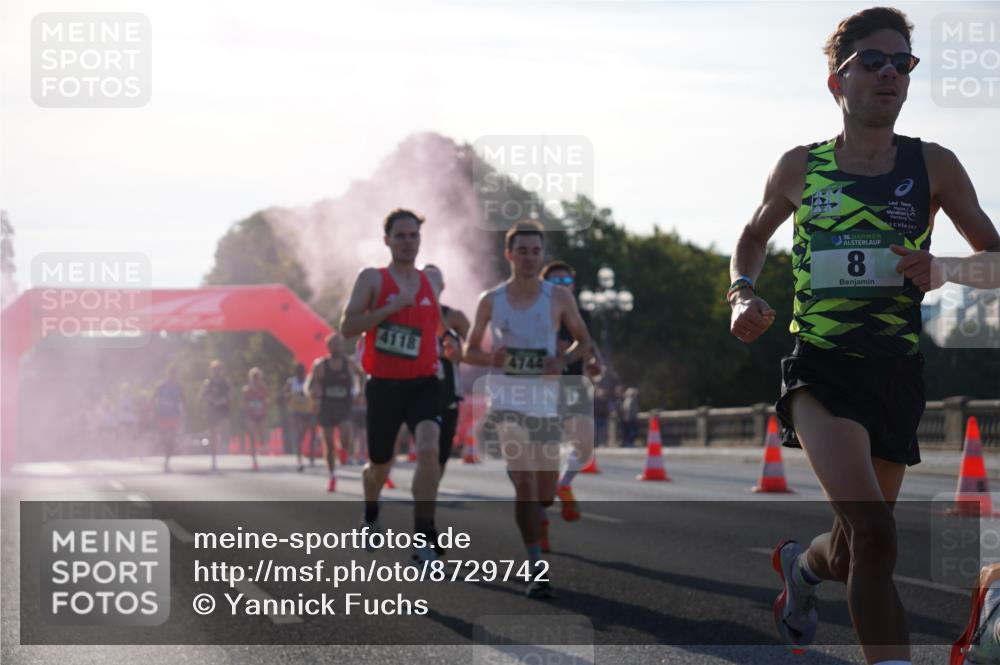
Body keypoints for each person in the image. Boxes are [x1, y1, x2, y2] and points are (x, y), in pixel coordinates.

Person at [728, 8, 1000, 664]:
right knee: (877, 532)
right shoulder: (800, 166)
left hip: (895, 371)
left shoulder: (933, 165)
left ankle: (801, 570)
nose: (889, 73)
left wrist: (946, 268)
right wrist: (742, 292)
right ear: (836, 81)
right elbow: (753, 238)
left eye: (902, 63)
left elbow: (994, 256)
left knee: (854, 547)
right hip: (820, 369)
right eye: (873, 62)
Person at [464, 221, 592, 598]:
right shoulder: (491, 300)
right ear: (509, 255)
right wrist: (491, 357)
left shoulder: (558, 298)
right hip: (506, 404)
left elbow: (584, 342)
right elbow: (470, 351)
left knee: (544, 495)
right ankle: (536, 565)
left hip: (545, 406)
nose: (529, 258)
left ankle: (538, 521)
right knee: (524, 485)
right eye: (522, 251)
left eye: (536, 251)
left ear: (541, 255)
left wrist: (561, 361)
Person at [340, 208, 444, 564]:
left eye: (413, 235)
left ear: (420, 239)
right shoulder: (371, 279)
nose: (407, 242)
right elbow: (348, 327)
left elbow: (438, 322)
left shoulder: (432, 279)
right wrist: (391, 307)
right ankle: (371, 512)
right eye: (400, 236)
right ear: (387, 240)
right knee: (379, 466)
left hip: (424, 384)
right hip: (383, 386)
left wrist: (452, 342)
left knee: (429, 450)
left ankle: (423, 537)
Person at [537, 260, 603, 532]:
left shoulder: (581, 314)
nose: (561, 286)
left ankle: (563, 485)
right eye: (555, 281)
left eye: (566, 282)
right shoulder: (537, 313)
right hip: (542, 389)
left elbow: (587, 343)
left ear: (573, 286)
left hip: (573, 385)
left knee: (585, 446)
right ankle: (539, 524)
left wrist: (594, 361)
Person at [422, 264, 470, 476]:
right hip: (418, 386)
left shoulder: (455, 317)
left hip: (448, 389)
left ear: (442, 286)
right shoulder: (407, 313)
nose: (430, 286)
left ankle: (430, 489)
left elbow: (473, 349)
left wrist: (457, 352)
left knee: (442, 450)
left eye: (434, 282)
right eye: (425, 280)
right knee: (427, 445)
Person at [306, 333, 364, 492]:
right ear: (329, 347)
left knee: (346, 437)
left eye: (339, 344)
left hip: (344, 405)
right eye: (334, 344)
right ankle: (332, 475)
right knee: (328, 444)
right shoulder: (320, 365)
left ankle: (344, 450)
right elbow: (310, 386)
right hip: (326, 406)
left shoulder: (349, 363)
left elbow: (361, 375)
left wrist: (360, 392)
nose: (337, 347)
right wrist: (314, 395)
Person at [199, 360, 230, 472]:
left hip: (222, 411)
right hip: (212, 412)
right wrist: (209, 398)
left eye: (218, 369)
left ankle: (224, 445)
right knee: (213, 436)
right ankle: (214, 460)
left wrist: (224, 400)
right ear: (211, 371)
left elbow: (230, 395)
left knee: (224, 429)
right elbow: (202, 396)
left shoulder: (225, 382)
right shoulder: (208, 383)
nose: (216, 372)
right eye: (214, 370)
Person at [284, 363, 316, 471]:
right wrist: (289, 398)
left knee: (312, 435)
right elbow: (286, 394)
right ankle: (299, 459)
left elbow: (315, 392)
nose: (300, 375)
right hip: (297, 412)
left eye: (302, 372)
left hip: (309, 411)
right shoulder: (291, 382)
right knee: (299, 436)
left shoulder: (309, 380)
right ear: (296, 373)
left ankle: (312, 458)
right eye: (298, 373)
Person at [153, 366, 185, 472]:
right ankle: (161, 449)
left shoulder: (179, 387)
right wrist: (155, 412)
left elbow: (183, 401)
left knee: (171, 440)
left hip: (174, 416)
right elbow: (154, 399)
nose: (173, 377)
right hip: (162, 416)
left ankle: (166, 461)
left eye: (175, 374)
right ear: (168, 375)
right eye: (172, 374)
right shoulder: (161, 386)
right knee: (163, 439)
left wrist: (183, 414)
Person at [241, 367, 268, 471]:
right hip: (250, 416)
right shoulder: (246, 390)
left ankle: (262, 443)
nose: (255, 379)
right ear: (250, 378)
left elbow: (266, 401)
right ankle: (254, 460)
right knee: (252, 436)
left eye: (257, 377)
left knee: (261, 435)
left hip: (261, 415)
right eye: (253, 377)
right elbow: (243, 403)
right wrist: (249, 409)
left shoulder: (263, 389)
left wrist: (263, 410)